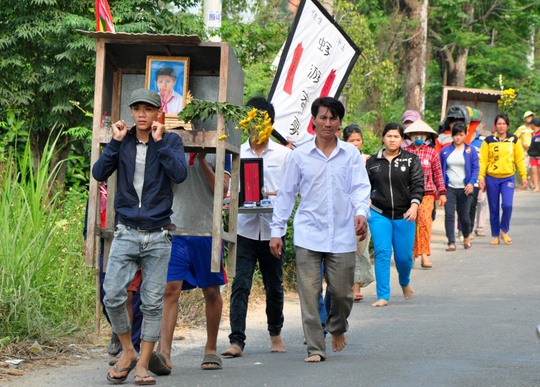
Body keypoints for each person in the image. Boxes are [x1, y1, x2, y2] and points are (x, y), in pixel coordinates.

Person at [92, 88, 187, 385]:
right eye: (137, 109)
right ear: (131, 112)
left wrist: (159, 143)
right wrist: (114, 142)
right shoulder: (123, 140)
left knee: (152, 302)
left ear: (158, 112)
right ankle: (129, 351)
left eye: (148, 109)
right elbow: (99, 172)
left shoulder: (170, 140)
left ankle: (144, 364)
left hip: (158, 234)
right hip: (127, 231)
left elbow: (179, 174)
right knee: (113, 293)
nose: (142, 114)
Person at [269, 97, 370, 363]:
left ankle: (337, 327)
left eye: (333, 118)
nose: (328, 122)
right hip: (308, 234)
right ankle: (315, 347)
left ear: (339, 122)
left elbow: (360, 188)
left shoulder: (350, 154)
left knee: (342, 293)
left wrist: (361, 212)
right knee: (309, 294)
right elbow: (287, 195)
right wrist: (277, 231)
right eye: (323, 117)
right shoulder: (299, 155)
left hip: (343, 234)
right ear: (313, 120)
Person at [221, 97, 291, 358]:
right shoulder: (236, 152)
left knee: (275, 285)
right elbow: (228, 191)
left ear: (271, 125)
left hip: (274, 231)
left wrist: (271, 195)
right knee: (240, 284)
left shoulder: (285, 155)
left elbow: (290, 192)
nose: (257, 128)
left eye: (263, 123)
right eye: (252, 122)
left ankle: (276, 334)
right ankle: (236, 341)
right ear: (246, 123)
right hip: (245, 230)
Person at [152, 149, 231, 373]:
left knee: (212, 291)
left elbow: (221, 190)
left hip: (207, 230)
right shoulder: (172, 144)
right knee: (170, 289)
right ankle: (164, 352)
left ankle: (211, 348)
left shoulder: (220, 148)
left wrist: (202, 159)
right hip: (176, 228)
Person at [366, 123, 424, 307]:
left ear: (401, 139)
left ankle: (404, 281)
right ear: (383, 137)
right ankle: (383, 295)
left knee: (404, 258)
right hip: (378, 213)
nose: (392, 139)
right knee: (382, 253)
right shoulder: (372, 162)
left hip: (405, 214)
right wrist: (365, 200)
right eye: (389, 136)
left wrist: (414, 205)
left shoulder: (411, 160)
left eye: (396, 136)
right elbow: (364, 185)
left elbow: (417, 186)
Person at [478, 113, 528, 246]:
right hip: (491, 178)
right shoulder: (488, 140)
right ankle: (495, 235)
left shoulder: (514, 140)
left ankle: (504, 231)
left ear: (507, 125)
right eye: (499, 123)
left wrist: (523, 175)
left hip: (508, 178)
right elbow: (483, 160)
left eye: (503, 124)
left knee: (507, 205)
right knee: (493, 208)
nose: (501, 126)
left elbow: (519, 159)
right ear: (495, 125)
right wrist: (481, 177)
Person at [404, 119, 446, 268]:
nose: (418, 136)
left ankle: (423, 255)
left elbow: (438, 174)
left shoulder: (432, 153)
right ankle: (411, 254)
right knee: (410, 224)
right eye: (415, 134)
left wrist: (442, 192)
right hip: (407, 194)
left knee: (424, 222)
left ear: (427, 136)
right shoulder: (405, 152)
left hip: (427, 193)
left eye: (421, 134)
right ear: (410, 136)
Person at [342, 124, 374, 301]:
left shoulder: (369, 160)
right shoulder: (340, 159)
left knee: (360, 249)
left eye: (358, 140)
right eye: (351, 140)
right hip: (344, 211)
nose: (355, 143)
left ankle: (356, 288)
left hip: (363, 210)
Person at [439, 123, 479, 251]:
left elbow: (475, 168)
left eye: (461, 135)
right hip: (449, 187)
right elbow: (440, 169)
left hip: (465, 188)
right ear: (452, 136)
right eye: (455, 135)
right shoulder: (445, 151)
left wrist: (471, 183)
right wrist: (440, 189)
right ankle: (451, 242)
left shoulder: (470, 150)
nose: (458, 138)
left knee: (464, 217)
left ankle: (466, 236)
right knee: (449, 214)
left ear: (465, 135)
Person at [469, 130, 488, 236]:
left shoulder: (482, 140)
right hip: (467, 177)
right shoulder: (462, 137)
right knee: (468, 203)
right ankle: (467, 229)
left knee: (481, 200)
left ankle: (480, 227)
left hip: (481, 175)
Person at [514, 111, 534, 188]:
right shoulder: (521, 128)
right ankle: (523, 183)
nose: (530, 118)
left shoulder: (534, 128)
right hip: (524, 151)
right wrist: (521, 144)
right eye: (528, 117)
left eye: (531, 117)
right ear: (524, 119)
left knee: (532, 167)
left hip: (533, 150)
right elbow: (515, 137)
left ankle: (531, 183)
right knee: (524, 167)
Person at [527, 118, 540, 193]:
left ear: (533, 125)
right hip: (533, 155)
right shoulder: (532, 134)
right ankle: (536, 187)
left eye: (531, 124)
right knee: (534, 170)